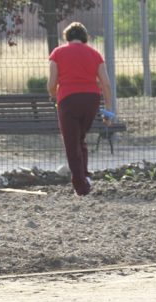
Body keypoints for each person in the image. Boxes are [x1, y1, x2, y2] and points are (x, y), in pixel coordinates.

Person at [47, 21, 114, 197]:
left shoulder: (57, 53)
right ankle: (85, 176)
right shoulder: (95, 54)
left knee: (71, 143)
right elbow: (106, 84)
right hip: (91, 99)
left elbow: (51, 84)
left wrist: (55, 95)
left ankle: (81, 187)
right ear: (85, 37)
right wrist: (108, 111)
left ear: (67, 37)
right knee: (80, 138)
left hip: (68, 99)